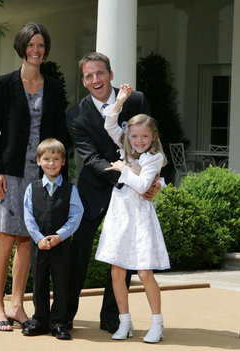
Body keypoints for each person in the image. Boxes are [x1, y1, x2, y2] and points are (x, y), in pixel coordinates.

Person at [65, 52, 160, 332]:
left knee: (123, 256)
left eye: (100, 73)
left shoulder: (136, 100)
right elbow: (90, 158)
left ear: (110, 74)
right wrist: (126, 177)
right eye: (89, 75)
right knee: (78, 250)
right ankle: (65, 316)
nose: (96, 79)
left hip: (133, 194)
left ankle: (112, 318)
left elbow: (151, 141)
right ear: (83, 81)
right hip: (94, 188)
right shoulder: (75, 114)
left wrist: (152, 182)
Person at [0, 22, 68, 331]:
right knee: (7, 238)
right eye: (31, 45)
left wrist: (60, 178)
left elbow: (60, 135)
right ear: (22, 47)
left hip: (43, 174)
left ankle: (18, 304)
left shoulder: (55, 87)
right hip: (10, 172)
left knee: (26, 241)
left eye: (41, 45)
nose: (36, 50)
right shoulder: (4, 85)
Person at [96, 84, 170, 343]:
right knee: (117, 271)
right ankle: (124, 322)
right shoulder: (126, 146)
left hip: (140, 219)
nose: (139, 141)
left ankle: (157, 324)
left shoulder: (154, 158)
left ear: (153, 137)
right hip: (119, 217)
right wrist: (121, 100)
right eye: (135, 136)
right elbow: (109, 124)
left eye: (144, 137)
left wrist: (121, 168)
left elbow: (141, 187)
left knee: (144, 273)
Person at [22, 139, 84, 340]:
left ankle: (59, 322)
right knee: (39, 281)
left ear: (63, 162)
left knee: (61, 282)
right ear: (39, 161)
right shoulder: (32, 189)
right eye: (46, 159)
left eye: (56, 159)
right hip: (39, 245)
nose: (51, 163)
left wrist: (60, 236)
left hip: (61, 245)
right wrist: (39, 238)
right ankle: (40, 320)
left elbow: (76, 216)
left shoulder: (70, 190)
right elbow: (28, 216)